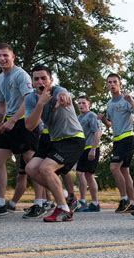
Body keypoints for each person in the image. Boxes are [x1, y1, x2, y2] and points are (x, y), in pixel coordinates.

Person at [0, 43, 41, 217]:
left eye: (5, 55)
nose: (2, 58)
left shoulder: (21, 75)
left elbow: (28, 100)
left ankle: (40, 202)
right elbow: (1, 106)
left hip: (24, 121)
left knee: (31, 163)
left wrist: (13, 120)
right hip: (8, 122)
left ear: (13, 57)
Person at [25, 64, 85, 222]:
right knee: (31, 169)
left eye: (44, 78)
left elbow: (64, 96)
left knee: (46, 168)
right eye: (36, 79)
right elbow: (30, 125)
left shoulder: (58, 90)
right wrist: (40, 104)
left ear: (51, 80)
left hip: (72, 138)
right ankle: (65, 197)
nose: (40, 82)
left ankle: (63, 209)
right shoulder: (31, 99)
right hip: (54, 141)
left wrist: (63, 99)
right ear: (32, 82)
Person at [100, 73, 134, 213]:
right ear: (107, 85)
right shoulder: (109, 104)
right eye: (109, 82)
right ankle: (132, 203)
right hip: (116, 140)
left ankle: (124, 199)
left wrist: (132, 101)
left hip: (127, 138)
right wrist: (102, 120)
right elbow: (109, 124)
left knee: (114, 168)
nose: (112, 84)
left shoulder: (126, 100)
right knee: (125, 171)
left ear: (120, 84)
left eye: (114, 82)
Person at [75, 95, 102, 212]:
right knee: (83, 174)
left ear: (89, 104)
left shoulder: (91, 115)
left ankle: (90, 202)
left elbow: (97, 132)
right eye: (79, 103)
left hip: (91, 148)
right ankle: (87, 202)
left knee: (86, 174)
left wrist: (93, 149)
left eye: (83, 103)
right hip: (82, 149)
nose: (81, 105)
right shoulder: (78, 117)